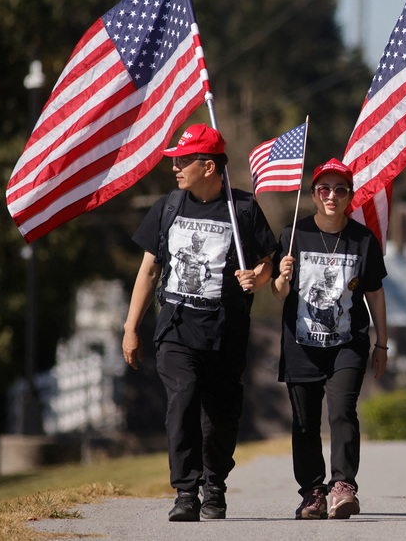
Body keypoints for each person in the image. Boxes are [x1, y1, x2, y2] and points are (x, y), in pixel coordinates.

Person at [122, 123, 276, 522]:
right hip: (175, 329)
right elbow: (148, 271)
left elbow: (267, 263)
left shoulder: (243, 208)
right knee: (183, 399)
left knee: (221, 414)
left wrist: (256, 278)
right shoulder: (168, 206)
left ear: (208, 166)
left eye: (183, 160)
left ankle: (215, 485)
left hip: (226, 331)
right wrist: (131, 326)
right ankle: (186, 491)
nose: (175, 166)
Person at [272, 158, 388, 520]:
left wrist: (382, 342)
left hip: (347, 342)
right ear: (313, 194)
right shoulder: (294, 235)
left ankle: (343, 486)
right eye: (325, 188)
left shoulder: (362, 239)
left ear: (350, 196)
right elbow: (278, 294)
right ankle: (313, 492)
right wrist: (282, 277)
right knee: (304, 422)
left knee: (342, 411)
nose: (332, 195)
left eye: (340, 189)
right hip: (301, 344)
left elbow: (375, 292)